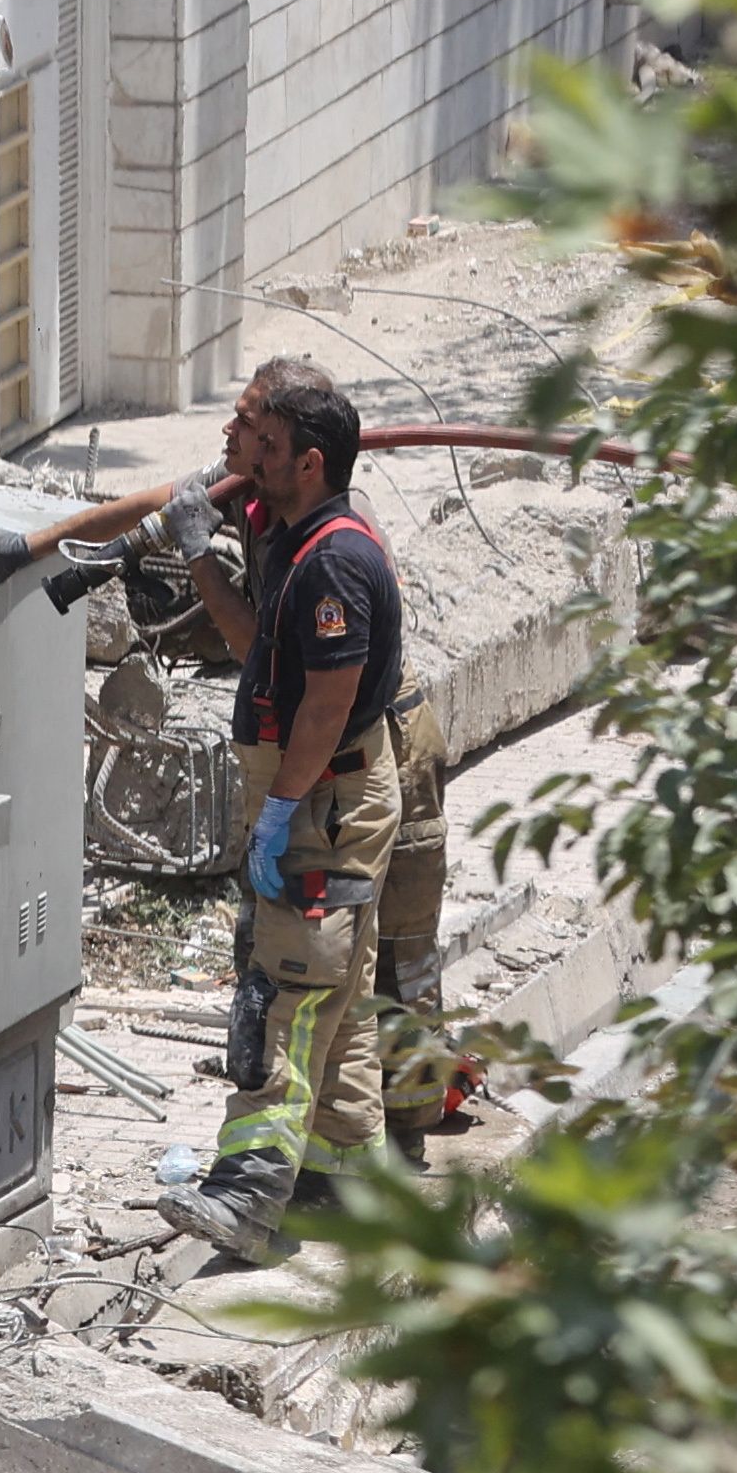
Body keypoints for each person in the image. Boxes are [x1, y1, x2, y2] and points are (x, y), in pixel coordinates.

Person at [166, 367, 408, 1254]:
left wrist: (280, 809)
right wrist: (201, 544)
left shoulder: (336, 560)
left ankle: (247, 1200)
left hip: (324, 794)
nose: (249, 453)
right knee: (334, 997)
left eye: (266, 445)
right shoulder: (295, 542)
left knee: (290, 993)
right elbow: (250, 638)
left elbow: (324, 707)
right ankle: (340, 1183)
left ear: (308, 463)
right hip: (319, 791)